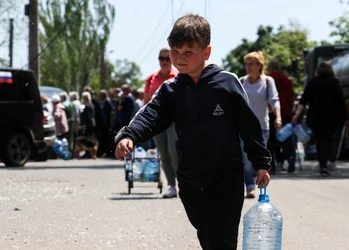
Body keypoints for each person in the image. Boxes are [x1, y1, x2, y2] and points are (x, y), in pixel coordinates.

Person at [114, 14, 271, 249]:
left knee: (223, 237)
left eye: (188, 52)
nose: (179, 58)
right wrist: (129, 135)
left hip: (226, 175)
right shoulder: (170, 90)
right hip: (190, 179)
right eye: (175, 52)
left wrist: (261, 163)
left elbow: (249, 126)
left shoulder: (227, 83)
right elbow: (150, 115)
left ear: (206, 52)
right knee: (207, 235)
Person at [293, 62, 347, 176]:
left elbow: (303, 100)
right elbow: (341, 101)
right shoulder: (335, 82)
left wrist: (297, 114)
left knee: (320, 140)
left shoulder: (313, 82)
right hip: (332, 116)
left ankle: (323, 165)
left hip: (316, 116)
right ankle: (330, 159)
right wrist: (345, 116)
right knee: (329, 138)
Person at [239, 52, 281, 198]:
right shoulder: (241, 81)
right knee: (245, 159)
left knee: (259, 158)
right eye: (247, 64)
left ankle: (260, 182)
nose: (248, 67)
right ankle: (250, 186)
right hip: (244, 128)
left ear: (259, 65)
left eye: (251, 63)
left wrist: (278, 117)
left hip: (262, 127)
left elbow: (274, 100)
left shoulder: (268, 81)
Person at [143, 48, 180, 198]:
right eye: (161, 58)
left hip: (174, 121)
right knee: (163, 154)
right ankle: (172, 186)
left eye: (167, 58)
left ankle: (183, 183)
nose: (164, 61)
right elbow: (146, 102)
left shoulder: (178, 76)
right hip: (156, 122)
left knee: (174, 151)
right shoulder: (151, 78)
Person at [267, 59, 296, 173]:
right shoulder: (285, 79)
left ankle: (271, 165)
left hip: (270, 113)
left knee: (271, 140)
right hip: (284, 112)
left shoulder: (266, 79)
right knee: (286, 137)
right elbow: (291, 96)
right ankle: (289, 157)